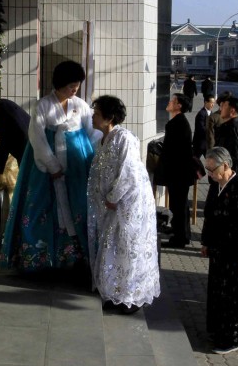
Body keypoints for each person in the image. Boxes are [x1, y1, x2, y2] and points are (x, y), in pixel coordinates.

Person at [1, 60, 98, 271]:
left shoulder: (81, 106)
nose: (75, 89)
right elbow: (37, 137)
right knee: (40, 206)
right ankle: (40, 258)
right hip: (44, 166)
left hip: (76, 166)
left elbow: (91, 133)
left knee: (78, 205)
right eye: (71, 85)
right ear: (60, 83)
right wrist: (52, 166)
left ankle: (76, 258)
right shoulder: (42, 105)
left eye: (77, 85)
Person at [87, 96, 161, 314]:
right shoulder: (101, 140)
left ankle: (131, 296)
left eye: (97, 113)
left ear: (109, 118)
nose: (92, 116)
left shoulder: (124, 137)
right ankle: (113, 291)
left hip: (129, 205)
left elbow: (129, 172)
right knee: (112, 245)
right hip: (112, 205)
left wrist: (112, 197)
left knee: (129, 246)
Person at [200, 147, 238, 354]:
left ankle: (232, 336)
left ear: (225, 165)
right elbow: (208, 215)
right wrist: (206, 242)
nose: (209, 174)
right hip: (219, 251)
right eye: (207, 169)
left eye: (212, 169)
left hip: (236, 252)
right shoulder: (214, 186)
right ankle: (218, 330)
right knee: (217, 291)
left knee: (233, 295)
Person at [157, 93, 196, 248]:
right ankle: (183, 236)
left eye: (172, 101)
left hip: (178, 173)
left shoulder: (177, 123)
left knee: (178, 207)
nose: (169, 103)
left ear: (179, 105)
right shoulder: (179, 122)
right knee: (181, 205)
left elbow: (173, 151)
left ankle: (178, 238)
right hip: (181, 173)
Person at [207, 96, 238, 176]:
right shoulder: (229, 126)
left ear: (232, 111)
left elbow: (236, 154)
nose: (221, 108)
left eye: (224, 106)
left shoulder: (234, 128)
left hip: (228, 174)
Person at [193, 94, 215, 158]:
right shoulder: (201, 114)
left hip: (207, 143)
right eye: (211, 103)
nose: (213, 105)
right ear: (205, 102)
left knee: (211, 162)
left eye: (214, 103)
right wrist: (212, 132)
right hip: (200, 143)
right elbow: (201, 128)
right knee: (195, 162)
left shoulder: (211, 113)